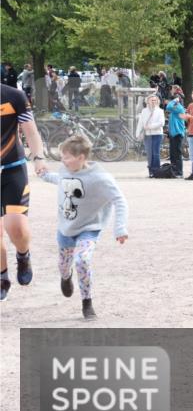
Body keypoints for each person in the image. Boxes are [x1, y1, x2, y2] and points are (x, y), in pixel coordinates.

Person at [38, 134, 128, 320]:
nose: (63, 160)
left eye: (67, 157)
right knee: (64, 265)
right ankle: (66, 276)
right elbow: (60, 180)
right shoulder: (65, 170)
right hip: (66, 229)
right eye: (62, 156)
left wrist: (120, 228)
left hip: (89, 228)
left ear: (81, 158)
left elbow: (119, 200)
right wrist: (45, 175)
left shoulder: (100, 178)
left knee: (82, 260)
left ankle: (87, 302)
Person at [0, 83, 47, 302]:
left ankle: (23, 254)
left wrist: (38, 157)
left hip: (12, 169)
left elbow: (31, 131)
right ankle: (2, 277)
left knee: (15, 227)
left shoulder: (13, 96)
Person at [135, 94, 165, 177]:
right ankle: (151, 171)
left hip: (157, 134)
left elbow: (161, 123)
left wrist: (150, 126)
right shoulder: (144, 111)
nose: (153, 102)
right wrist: (137, 134)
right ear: (148, 101)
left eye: (155, 100)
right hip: (147, 135)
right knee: (149, 153)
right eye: (152, 100)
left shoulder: (160, 111)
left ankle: (157, 171)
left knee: (156, 153)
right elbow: (140, 123)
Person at [165, 89, 186, 177]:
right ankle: (174, 171)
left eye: (177, 99)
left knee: (177, 153)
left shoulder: (179, 108)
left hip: (178, 134)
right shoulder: (175, 109)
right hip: (173, 134)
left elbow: (168, 107)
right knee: (172, 154)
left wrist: (174, 100)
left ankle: (179, 172)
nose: (175, 100)